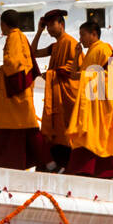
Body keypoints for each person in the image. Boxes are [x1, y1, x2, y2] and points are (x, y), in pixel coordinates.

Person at [64, 21, 113, 180]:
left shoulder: (104, 49)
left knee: (97, 138)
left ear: (93, 34)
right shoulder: (90, 53)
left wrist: (88, 77)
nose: (81, 38)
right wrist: (77, 56)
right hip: (91, 103)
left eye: (83, 35)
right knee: (87, 137)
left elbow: (110, 76)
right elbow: (74, 76)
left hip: (100, 102)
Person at [0, 10, 46, 169]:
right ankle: (46, 162)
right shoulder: (21, 37)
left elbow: (14, 65)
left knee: (13, 130)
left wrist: (1, 72)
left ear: (3, 23)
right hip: (19, 92)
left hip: (14, 95)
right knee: (25, 129)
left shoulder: (14, 37)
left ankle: (47, 162)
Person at [32, 9, 79, 171]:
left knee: (66, 132)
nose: (50, 29)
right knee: (55, 131)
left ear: (62, 24)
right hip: (57, 96)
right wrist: (39, 31)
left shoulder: (70, 43)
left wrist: (51, 74)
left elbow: (75, 67)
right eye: (47, 25)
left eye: (52, 24)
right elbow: (33, 53)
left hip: (68, 96)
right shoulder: (55, 46)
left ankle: (67, 165)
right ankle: (57, 164)